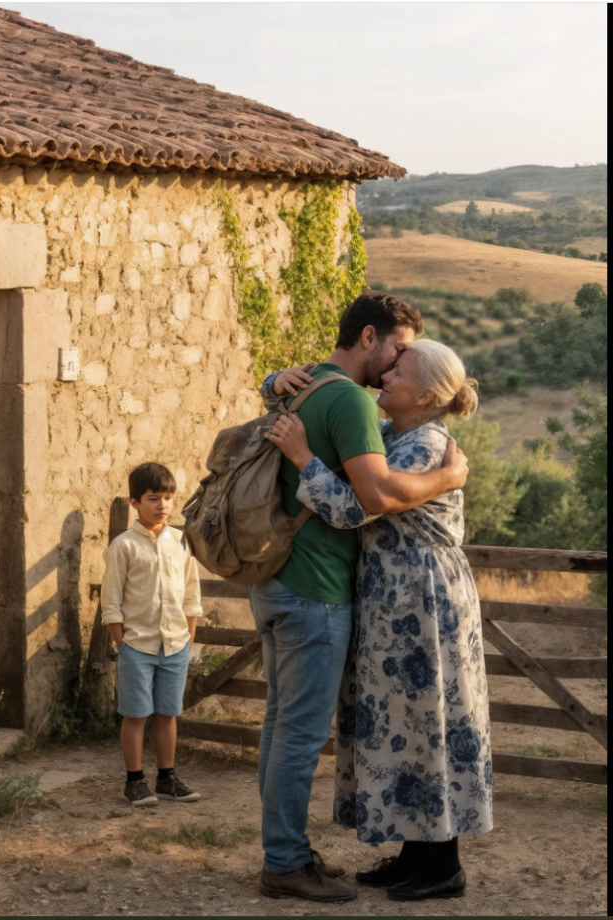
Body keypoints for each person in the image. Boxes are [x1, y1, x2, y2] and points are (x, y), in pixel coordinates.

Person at [248, 293, 470, 903]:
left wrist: (448, 478)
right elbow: (371, 496)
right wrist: (271, 381)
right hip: (357, 599)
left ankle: (433, 860)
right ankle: (317, 857)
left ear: (425, 394)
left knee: (423, 723)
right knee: (399, 725)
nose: (393, 368)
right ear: (369, 338)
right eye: (396, 352)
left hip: (416, 606)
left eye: (405, 365)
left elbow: (362, 503)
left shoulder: (412, 437)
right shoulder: (345, 397)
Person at [101, 462, 204, 807]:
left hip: (175, 645)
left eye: (167, 498)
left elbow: (192, 595)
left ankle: (167, 779)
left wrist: (189, 638)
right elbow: (111, 601)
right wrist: (122, 643)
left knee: (167, 713)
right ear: (134, 502)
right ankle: (134, 782)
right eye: (153, 498)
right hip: (137, 646)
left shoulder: (180, 542)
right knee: (136, 715)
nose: (162, 505)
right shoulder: (124, 546)